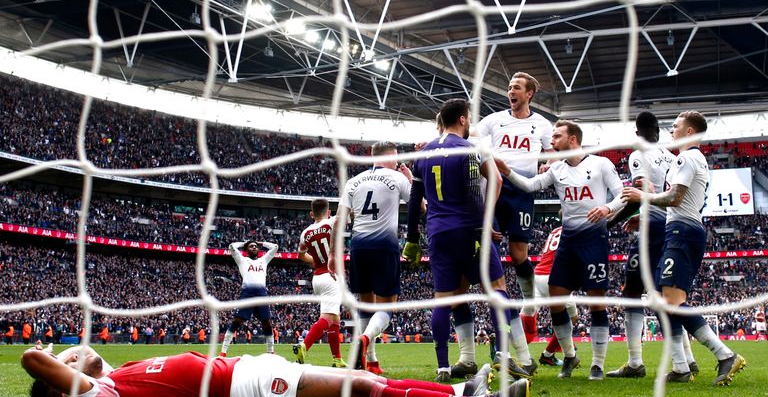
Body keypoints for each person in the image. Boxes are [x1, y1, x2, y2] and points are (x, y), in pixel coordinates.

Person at [404, 99, 532, 382]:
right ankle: (503, 357)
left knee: (443, 300)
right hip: (470, 229)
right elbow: (493, 183)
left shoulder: (424, 153)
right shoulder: (472, 148)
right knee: (498, 289)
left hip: (438, 232)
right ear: (463, 120)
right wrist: (484, 224)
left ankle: (443, 367)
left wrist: (412, 237)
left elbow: (415, 199)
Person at [621, 111, 746, 385]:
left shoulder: (687, 157)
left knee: (672, 301)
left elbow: (675, 198)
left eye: (675, 126)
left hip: (683, 232)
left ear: (690, 131)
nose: (671, 131)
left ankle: (724, 354)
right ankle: (681, 367)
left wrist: (643, 196)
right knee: (666, 301)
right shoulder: (691, 158)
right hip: (680, 230)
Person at [495, 119, 625, 381]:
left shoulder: (600, 164)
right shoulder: (557, 170)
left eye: (556, 136)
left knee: (596, 303)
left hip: (593, 240)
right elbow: (531, 185)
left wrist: (607, 209)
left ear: (573, 139)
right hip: (568, 242)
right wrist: (507, 171)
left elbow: (623, 193)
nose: (551, 141)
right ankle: (569, 355)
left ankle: (597, 365)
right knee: (556, 299)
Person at [21, 345, 532, 397]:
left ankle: (464, 390)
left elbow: (86, 355)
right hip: (242, 386)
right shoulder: (97, 396)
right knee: (361, 386)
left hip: (246, 369)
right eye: (66, 363)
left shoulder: (112, 376)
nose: (75, 354)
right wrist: (54, 359)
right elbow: (31, 360)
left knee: (371, 383)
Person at [605, 111, 698, 379]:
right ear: (659, 131)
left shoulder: (638, 154)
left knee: (633, 292)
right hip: (669, 227)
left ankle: (635, 363)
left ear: (637, 133)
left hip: (652, 231)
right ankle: (687, 360)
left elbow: (637, 196)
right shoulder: (672, 156)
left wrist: (607, 225)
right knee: (665, 296)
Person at [473, 72, 554, 305]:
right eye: (509, 87)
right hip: (495, 186)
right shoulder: (495, 119)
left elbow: (554, 156)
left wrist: (547, 166)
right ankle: (500, 299)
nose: (511, 91)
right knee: (489, 247)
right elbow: (469, 134)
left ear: (529, 94)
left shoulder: (542, 124)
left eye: (516, 87)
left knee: (519, 255)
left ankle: (529, 302)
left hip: (523, 189)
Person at [335, 141, 412, 373]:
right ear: (390, 156)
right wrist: (409, 178)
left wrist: (332, 254)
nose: (398, 162)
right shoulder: (397, 177)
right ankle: (365, 338)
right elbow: (422, 206)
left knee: (366, 307)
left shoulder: (352, 181)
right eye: (397, 157)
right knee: (387, 308)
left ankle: (372, 361)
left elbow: (340, 221)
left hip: (358, 247)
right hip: (385, 247)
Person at [293, 198, 345, 368]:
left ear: (311, 214)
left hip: (317, 277)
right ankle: (304, 345)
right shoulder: (332, 223)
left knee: (335, 319)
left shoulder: (305, 233)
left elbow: (301, 256)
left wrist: (315, 261)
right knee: (328, 317)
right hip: (331, 276)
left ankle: (337, 359)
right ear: (328, 212)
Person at [520, 226, 579, 367]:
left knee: (526, 322)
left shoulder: (555, 231)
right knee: (570, 319)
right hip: (553, 277)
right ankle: (556, 355)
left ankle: (501, 342)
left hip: (537, 276)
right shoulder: (575, 228)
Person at [220, 240, 278, 357]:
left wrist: (262, 243)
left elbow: (275, 247)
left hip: (262, 294)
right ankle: (223, 352)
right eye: (251, 246)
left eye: (256, 246)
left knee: (267, 322)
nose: (254, 247)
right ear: (246, 250)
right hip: (247, 294)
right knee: (237, 321)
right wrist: (243, 243)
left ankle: (270, 351)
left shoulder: (263, 260)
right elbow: (231, 246)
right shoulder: (242, 260)